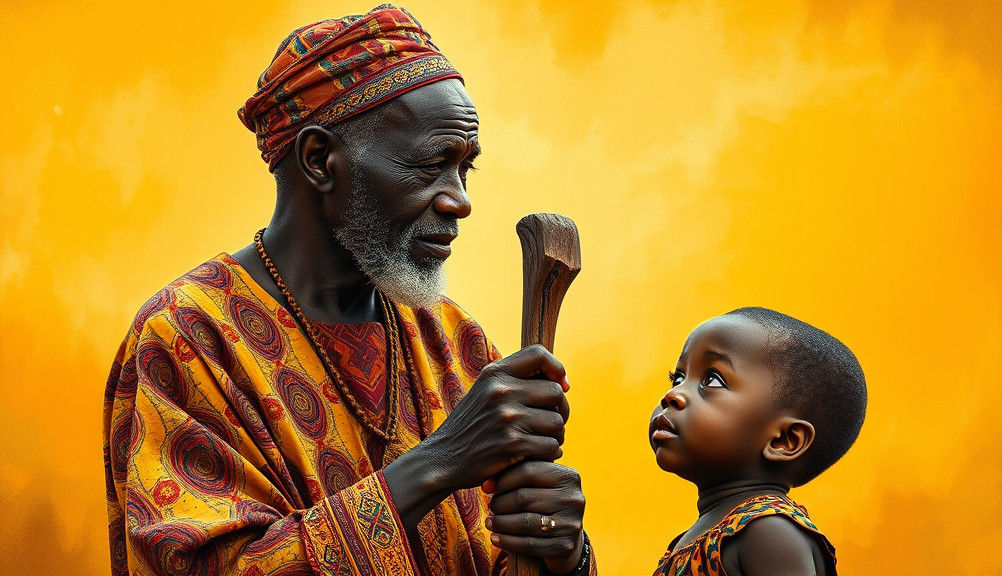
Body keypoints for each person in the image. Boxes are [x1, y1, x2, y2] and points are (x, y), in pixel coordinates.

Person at [102, 5, 594, 575]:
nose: (459, 200)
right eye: (432, 164)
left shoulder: (456, 341)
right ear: (319, 160)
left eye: (466, 170)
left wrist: (563, 553)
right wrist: (444, 459)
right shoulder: (189, 338)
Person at [648, 307, 867, 576]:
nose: (673, 395)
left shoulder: (769, 530)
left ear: (783, 440)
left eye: (712, 380)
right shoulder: (700, 536)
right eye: (678, 378)